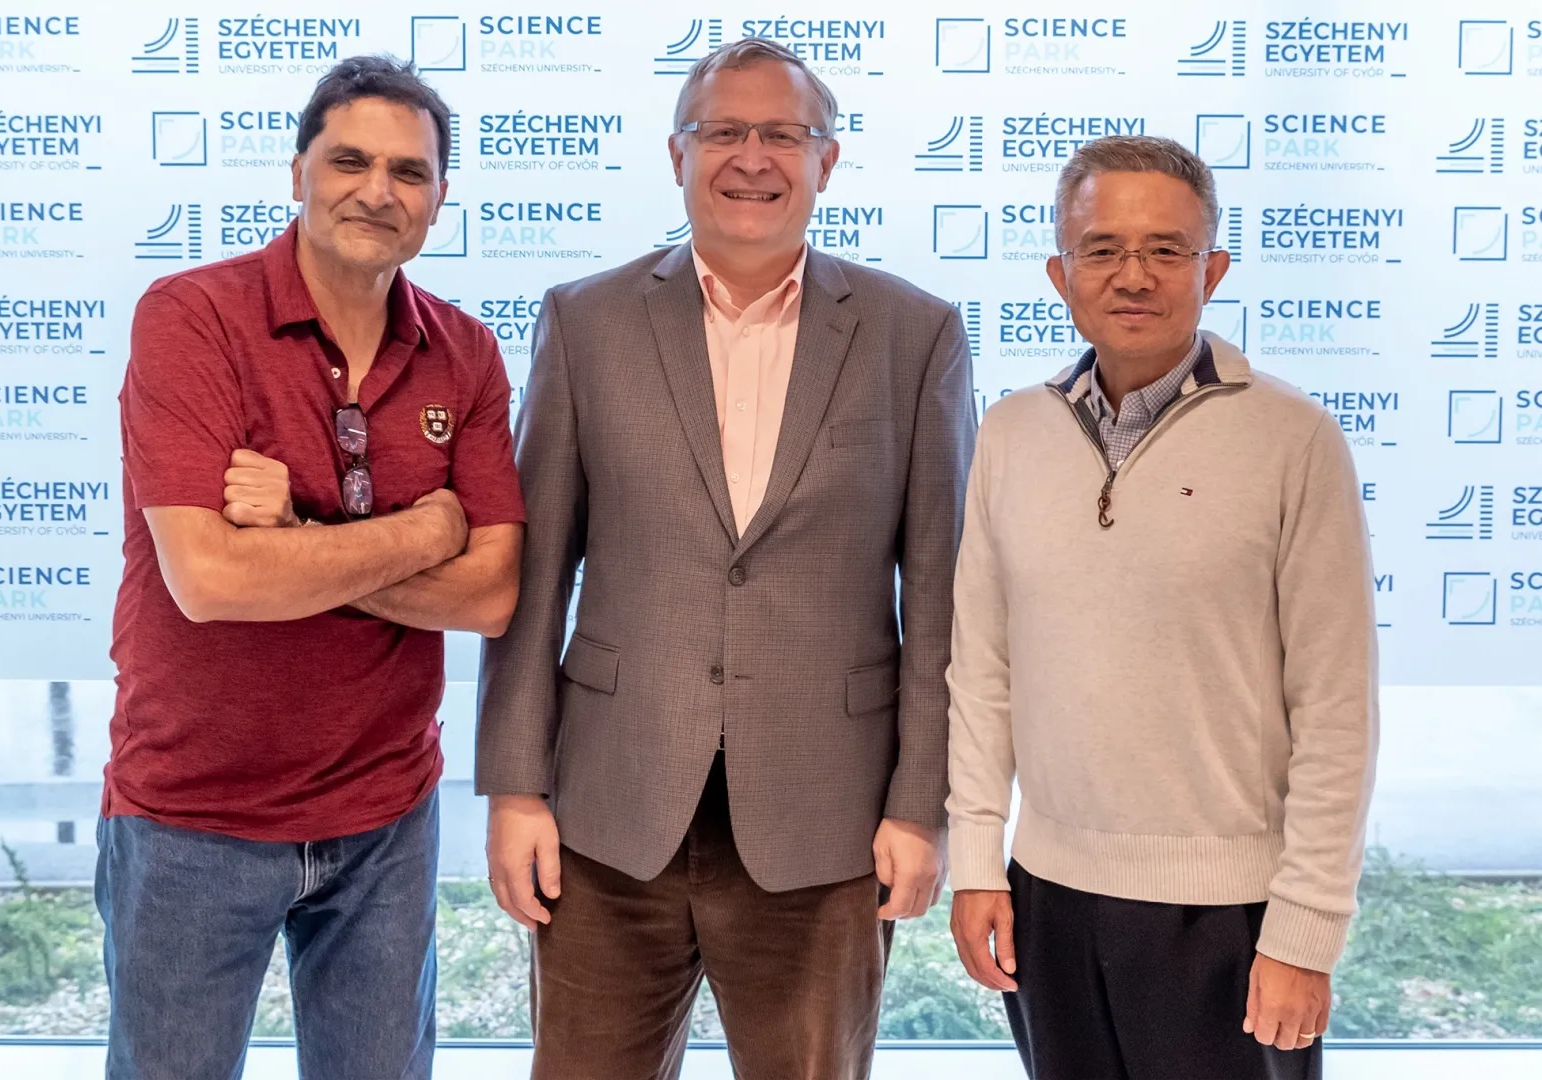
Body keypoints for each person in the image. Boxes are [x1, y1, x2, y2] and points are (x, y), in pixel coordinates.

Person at [477, 37, 976, 1080]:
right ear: (676, 154)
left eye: (782, 134)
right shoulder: (585, 321)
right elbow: (536, 571)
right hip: (608, 816)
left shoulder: (913, 334)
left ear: (826, 161)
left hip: (826, 821)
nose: (753, 157)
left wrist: (919, 803)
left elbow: (941, 595)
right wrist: (516, 787)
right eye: (725, 132)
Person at [99, 56, 524, 1080]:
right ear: (296, 173)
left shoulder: (464, 354)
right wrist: (425, 535)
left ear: (439, 200)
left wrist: (293, 527)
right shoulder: (192, 316)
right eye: (348, 160)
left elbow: (495, 593)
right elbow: (211, 582)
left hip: (385, 818)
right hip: (191, 818)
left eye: (409, 173)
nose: (377, 190)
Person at [945, 135, 1379, 1080]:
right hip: (1046, 901)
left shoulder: (1292, 439)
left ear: (1212, 269)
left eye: (1166, 250)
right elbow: (981, 672)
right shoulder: (1013, 432)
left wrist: (1305, 931)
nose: (1132, 275)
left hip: (1229, 917)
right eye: (1102, 250)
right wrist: (977, 862)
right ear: (1060, 274)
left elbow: (1336, 709)